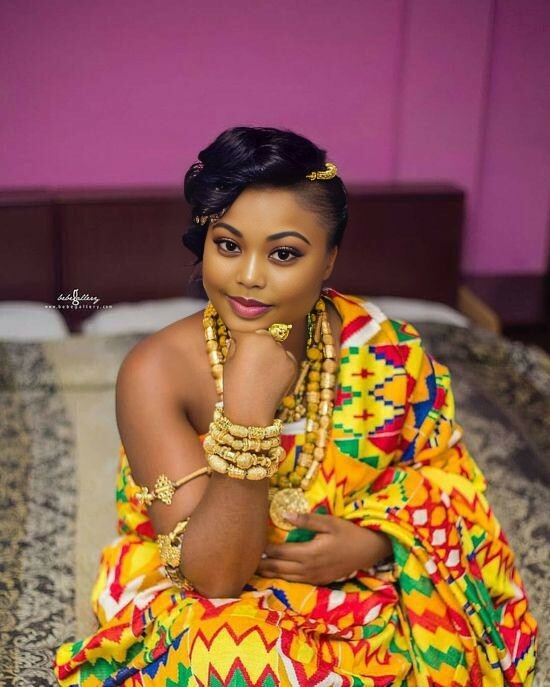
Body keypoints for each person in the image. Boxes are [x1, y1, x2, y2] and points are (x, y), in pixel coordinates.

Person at [53, 126, 538, 686]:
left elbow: (448, 487)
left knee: (439, 638)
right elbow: (212, 578)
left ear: (328, 260)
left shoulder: (385, 351)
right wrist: (247, 411)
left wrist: (374, 544)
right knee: (226, 657)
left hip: (357, 581)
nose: (249, 277)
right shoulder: (156, 371)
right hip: (196, 580)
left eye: (284, 253)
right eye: (228, 245)